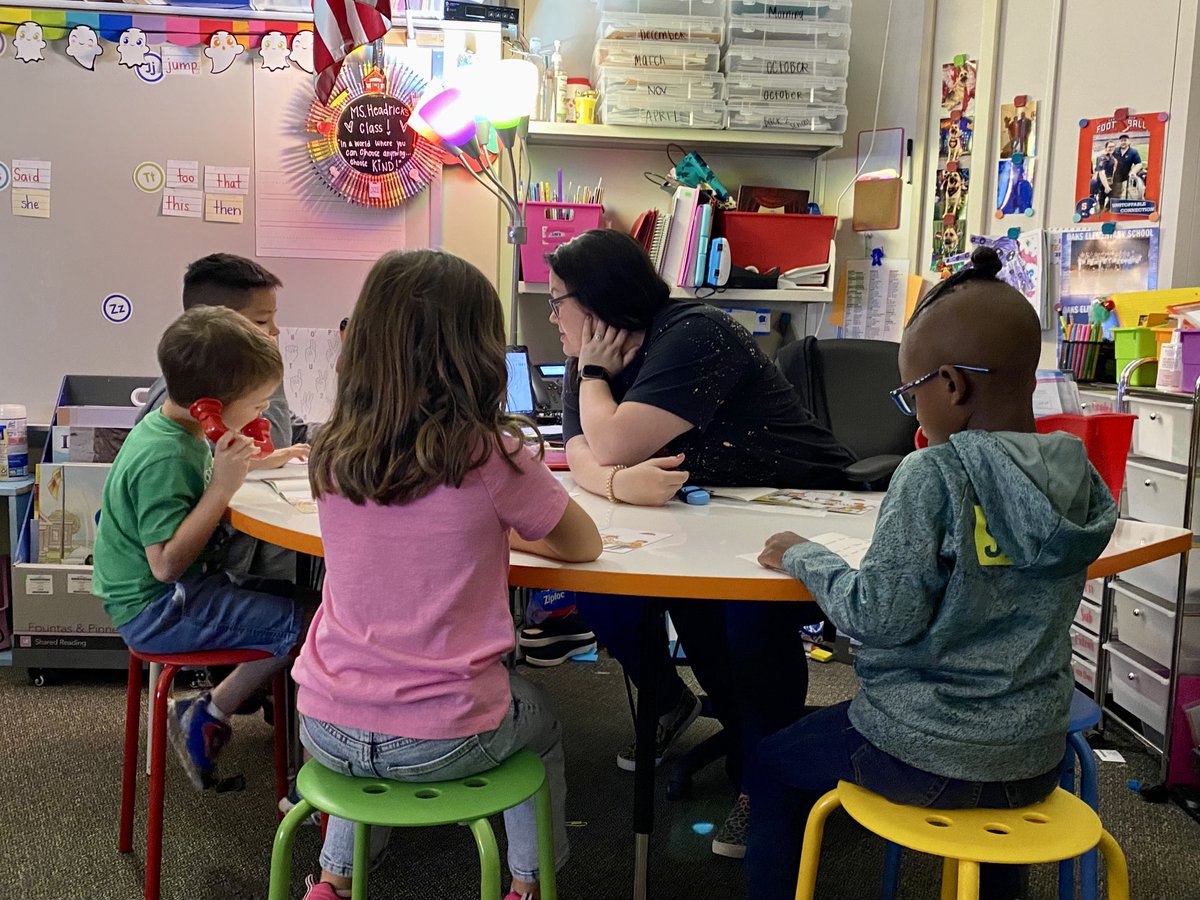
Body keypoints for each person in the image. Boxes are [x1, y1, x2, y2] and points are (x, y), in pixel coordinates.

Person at [746, 246, 1118, 900]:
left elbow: (881, 618)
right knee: (995, 810)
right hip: (1035, 752)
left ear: (951, 386)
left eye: (908, 393)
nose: (910, 410)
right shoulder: (1074, 472)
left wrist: (802, 553)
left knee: (769, 765)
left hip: (927, 746)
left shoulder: (934, 474)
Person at [293, 249, 602, 900]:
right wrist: (507, 530)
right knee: (541, 727)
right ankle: (527, 882)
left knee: (367, 710)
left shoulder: (332, 449)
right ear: (478, 353)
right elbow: (581, 545)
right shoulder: (493, 456)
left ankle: (332, 881)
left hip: (323, 723)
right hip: (445, 735)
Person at [546, 229, 855, 858]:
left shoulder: (693, 333)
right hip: (705, 513)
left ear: (599, 303)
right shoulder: (592, 359)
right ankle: (669, 703)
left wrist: (608, 462)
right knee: (604, 593)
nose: (552, 316)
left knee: (746, 622)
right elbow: (574, 450)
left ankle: (763, 784)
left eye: (558, 301)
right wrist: (612, 478)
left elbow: (599, 447)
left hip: (793, 506)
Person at [94, 306, 309, 790]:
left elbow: (209, 472)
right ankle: (215, 716)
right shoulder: (164, 456)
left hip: (177, 593)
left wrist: (265, 459)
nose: (260, 415)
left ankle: (206, 710)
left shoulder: (179, 431)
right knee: (314, 626)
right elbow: (166, 563)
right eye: (257, 406)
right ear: (209, 409)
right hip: (157, 608)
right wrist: (221, 491)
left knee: (310, 606)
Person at [137, 253, 310, 584]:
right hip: (226, 561)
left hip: (257, 547)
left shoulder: (251, 374)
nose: (274, 331)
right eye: (261, 323)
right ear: (220, 328)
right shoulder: (177, 414)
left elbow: (290, 427)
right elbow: (165, 562)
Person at [1111, 133, 1143, 202]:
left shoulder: (1133, 152)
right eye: (1122, 141)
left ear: (1129, 141)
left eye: (1125, 140)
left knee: (1126, 194)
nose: (1123, 142)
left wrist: (1133, 171)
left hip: (1126, 177)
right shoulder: (1115, 151)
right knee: (1115, 194)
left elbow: (1139, 164)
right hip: (1115, 177)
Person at [1091, 140, 1115, 212]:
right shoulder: (1101, 158)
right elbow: (1101, 173)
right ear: (1106, 148)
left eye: (1113, 147)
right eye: (1109, 147)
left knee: (1112, 199)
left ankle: (1104, 212)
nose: (1111, 148)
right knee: (1102, 200)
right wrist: (1106, 186)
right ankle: (1101, 213)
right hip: (1102, 184)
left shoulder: (1111, 158)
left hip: (1109, 182)